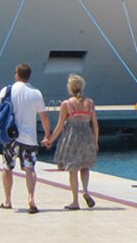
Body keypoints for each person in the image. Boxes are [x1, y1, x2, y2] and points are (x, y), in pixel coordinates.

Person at [0, 63, 51, 213]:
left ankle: (7, 200)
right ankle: (31, 197)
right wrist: (47, 135)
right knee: (29, 168)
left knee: (7, 167)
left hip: (10, 135)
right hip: (29, 138)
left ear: (17, 74)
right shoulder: (36, 93)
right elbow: (44, 117)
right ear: (29, 76)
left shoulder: (8, 90)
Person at [42, 74, 99, 210]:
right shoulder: (89, 103)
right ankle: (85, 191)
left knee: (72, 170)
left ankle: (75, 201)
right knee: (85, 166)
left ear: (70, 88)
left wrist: (49, 139)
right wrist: (96, 141)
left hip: (72, 138)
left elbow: (60, 126)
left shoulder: (66, 104)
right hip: (87, 136)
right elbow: (95, 124)